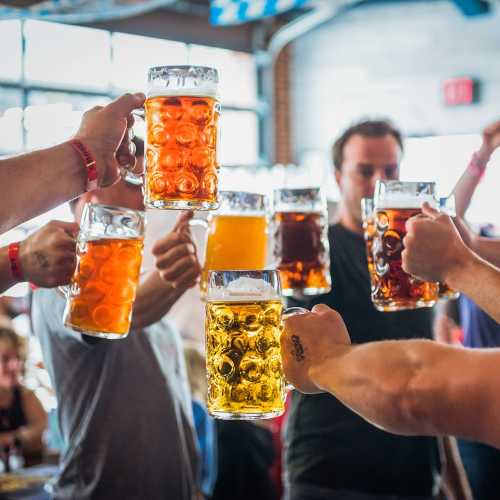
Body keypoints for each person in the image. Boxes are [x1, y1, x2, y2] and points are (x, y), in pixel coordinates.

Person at [284, 120, 465, 500]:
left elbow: (428, 366)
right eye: (365, 171)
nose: (379, 181)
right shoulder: (309, 252)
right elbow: (296, 355)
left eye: (390, 170)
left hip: (415, 472)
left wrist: (454, 481)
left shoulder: (417, 260)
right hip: (330, 473)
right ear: (338, 177)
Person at [31, 140, 202, 500]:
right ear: (89, 197)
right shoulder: (55, 281)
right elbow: (114, 315)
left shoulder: (141, 292)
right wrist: (174, 276)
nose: (144, 200)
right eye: (131, 184)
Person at [280, 205, 500, 451]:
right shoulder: (327, 244)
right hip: (326, 460)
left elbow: (413, 391)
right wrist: (467, 252)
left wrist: (323, 360)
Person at [0, 316, 47, 467]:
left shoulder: (26, 396)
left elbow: (39, 436)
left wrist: (15, 438)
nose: (15, 365)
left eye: (17, 357)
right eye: (5, 359)